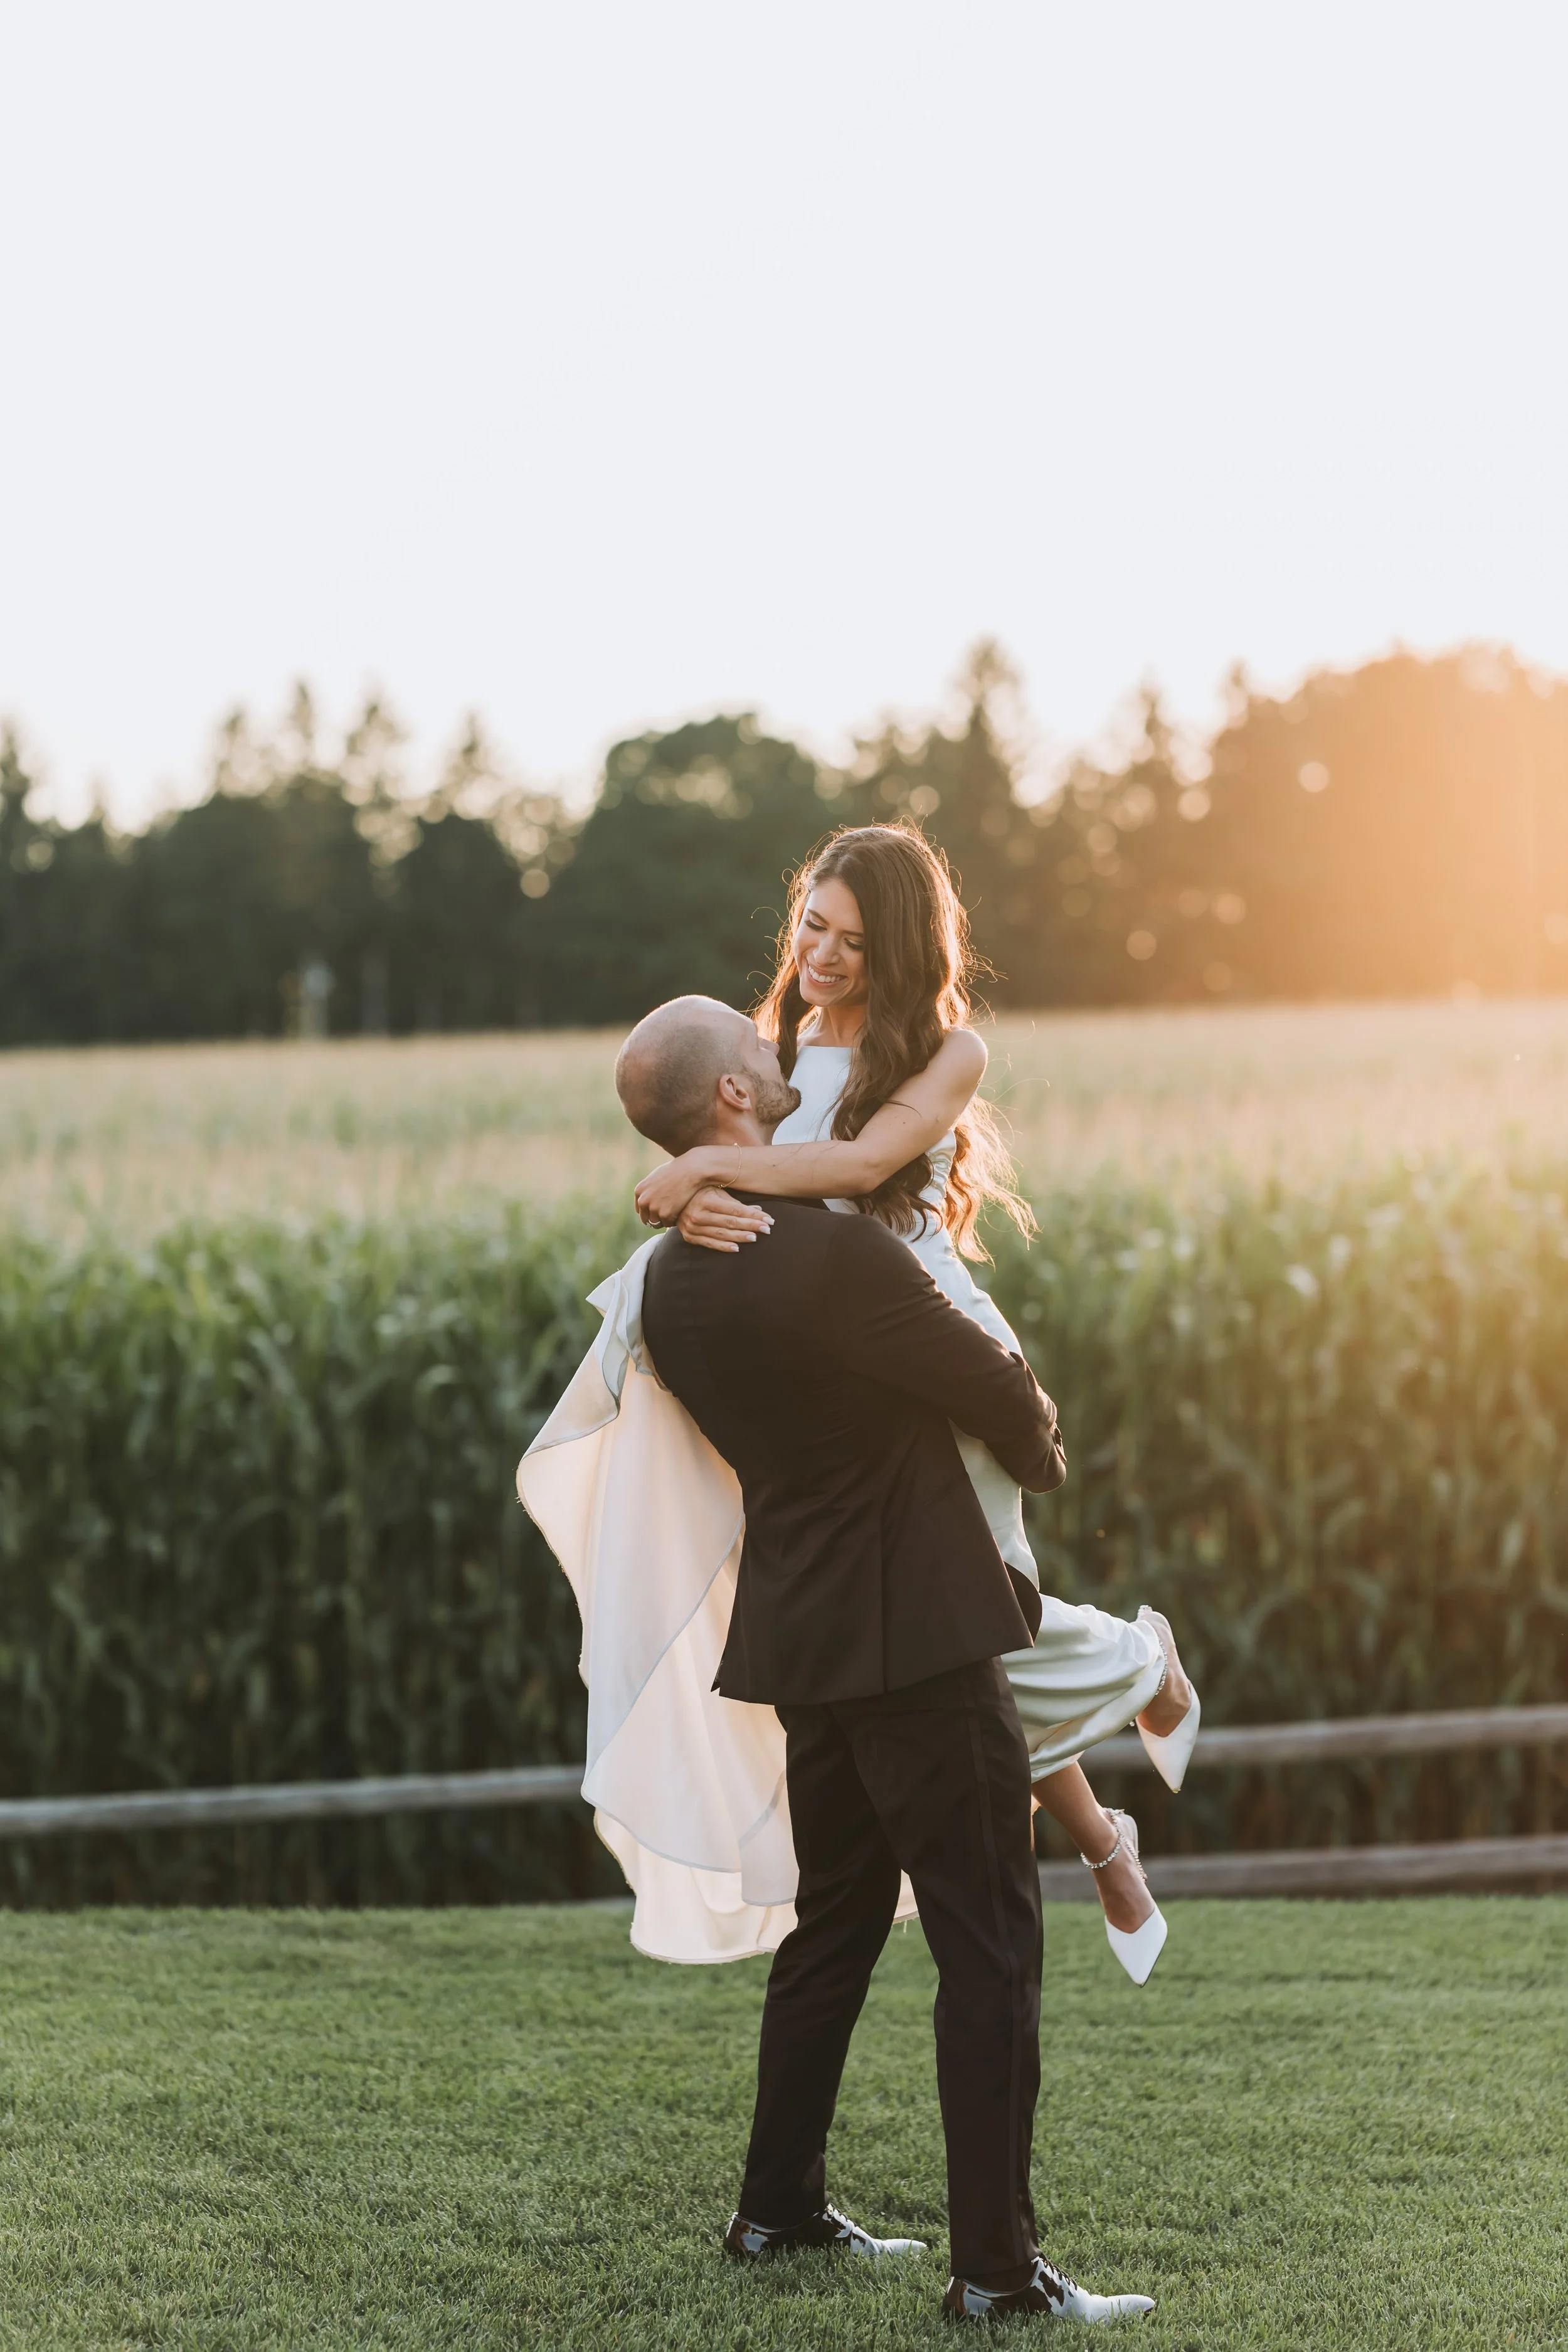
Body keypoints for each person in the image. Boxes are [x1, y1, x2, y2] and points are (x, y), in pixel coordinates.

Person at [622, 993, 1157, 2324]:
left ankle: (776, 2208)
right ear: (733, 1105)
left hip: (800, 1636)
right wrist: (1040, 1458)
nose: (777, 1052)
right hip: (918, 1636)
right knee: (988, 1941)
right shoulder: (836, 1259)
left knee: (836, 1926)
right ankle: (996, 2275)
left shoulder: (669, 1286)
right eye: (755, 1055)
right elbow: (987, 1378)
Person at [632, 824, 1199, 1983]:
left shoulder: (950, 1052)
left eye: (851, 937)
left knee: (976, 1623)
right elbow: (725, 1132)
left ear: (900, 944)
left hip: (928, 1341)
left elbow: (846, 1171)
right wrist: (696, 1193)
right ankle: (1104, 1834)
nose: (823, 955)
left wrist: (708, 1174)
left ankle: (1145, 1671)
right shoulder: (774, 1044)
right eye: (811, 926)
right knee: (963, 1645)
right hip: (833, 1359)